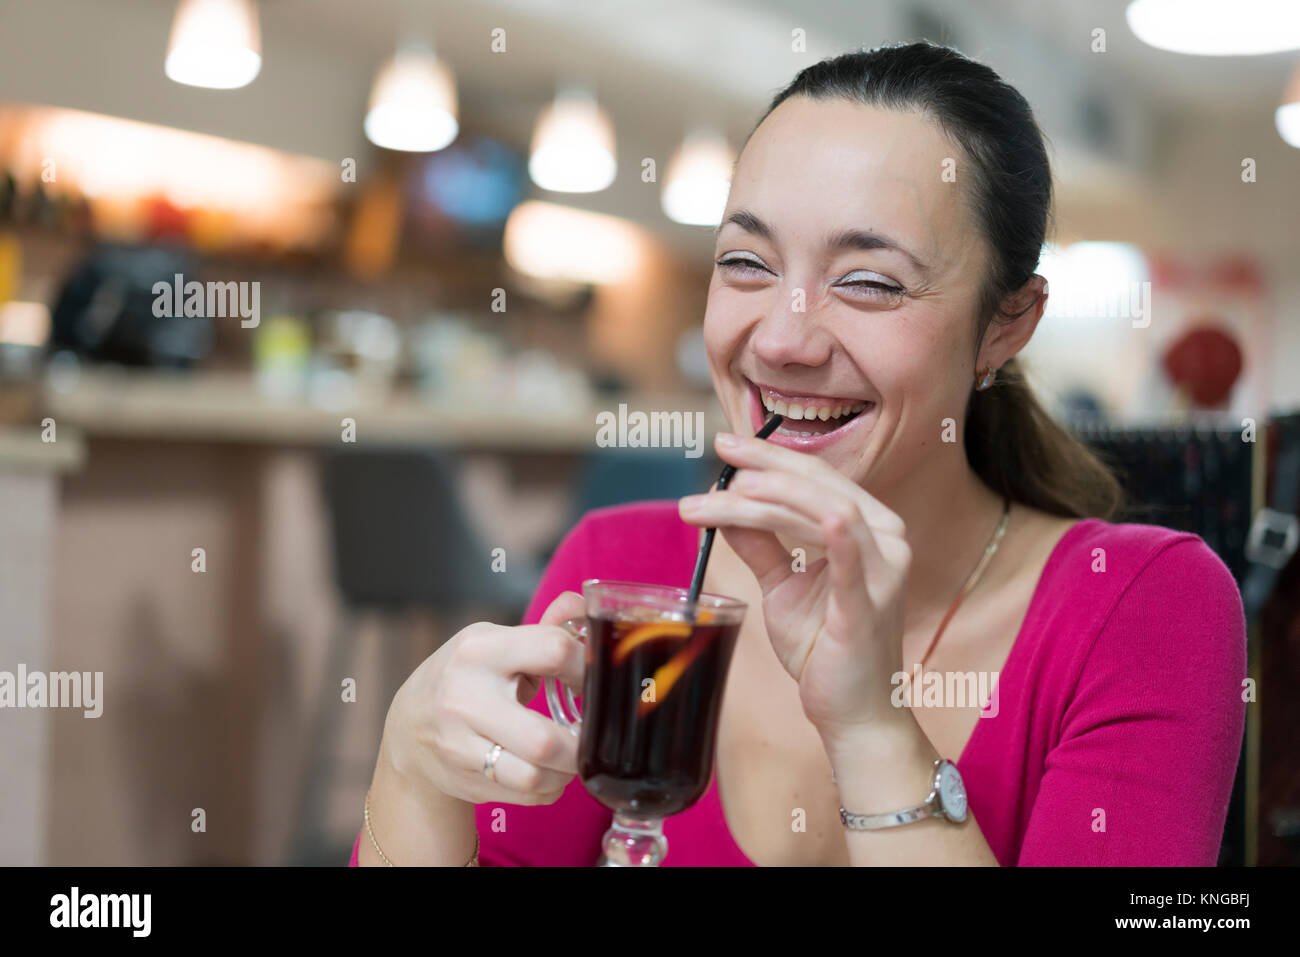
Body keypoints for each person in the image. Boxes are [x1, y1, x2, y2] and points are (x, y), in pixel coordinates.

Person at [352, 40, 1246, 867]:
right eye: (746, 262)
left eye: (868, 282)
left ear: (1006, 326)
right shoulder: (623, 572)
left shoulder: (1146, 610)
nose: (781, 340)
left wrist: (871, 726)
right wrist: (411, 767)